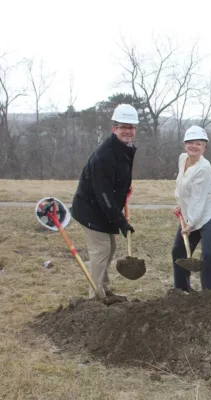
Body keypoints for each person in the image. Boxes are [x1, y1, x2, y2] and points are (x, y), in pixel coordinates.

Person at [71, 104, 139, 299]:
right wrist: (121, 223)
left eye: (131, 127)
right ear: (114, 129)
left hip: (104, 208)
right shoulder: (105, 156)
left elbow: (114, 182)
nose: (128, 131)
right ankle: (96, 297)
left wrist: (124, 191)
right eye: (123, 127)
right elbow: (104, 195)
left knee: (110, 249)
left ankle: (105, 289)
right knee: (101, 250)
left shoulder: (125, 148)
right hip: (91, 209)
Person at [172, 125, 211, 292]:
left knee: (208, 255)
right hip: (191, 212)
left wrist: (191, 223)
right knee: (178, 250)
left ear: (204, 147)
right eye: (190, 143)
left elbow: (198, 198)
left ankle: (210, 294)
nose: (193, 146)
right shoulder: (182, 159)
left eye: (198, 143)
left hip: (209, 214)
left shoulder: (204, 168)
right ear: (184, 144)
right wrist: (181, 204)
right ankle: (182, 289)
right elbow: (182, 186)